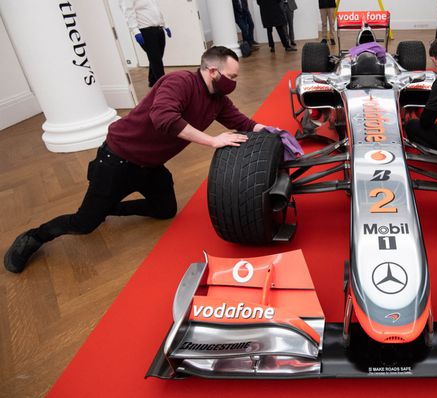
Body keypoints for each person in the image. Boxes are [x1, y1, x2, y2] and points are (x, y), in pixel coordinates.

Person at [4, 46, 268, 274]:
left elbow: (242, 123)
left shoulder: (218, 100)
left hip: (150, 165)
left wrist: (270, 133)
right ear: (213, 71)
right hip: (118, 159)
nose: (233, 82)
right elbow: (163, 118)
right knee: (84, 224)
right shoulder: (180, 82)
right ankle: (33, 237)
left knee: (165, 211)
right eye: (231, 76)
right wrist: (212, 141)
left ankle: (110, 207)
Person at [120, 0, 171, 87]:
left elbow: (156, 10)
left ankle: (153, 81)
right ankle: (164, 86)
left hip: (158, 29)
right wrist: (135, 31)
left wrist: (165, 25)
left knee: (157, 57)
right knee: (156, 59)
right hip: (146, 31)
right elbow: (128, 12)